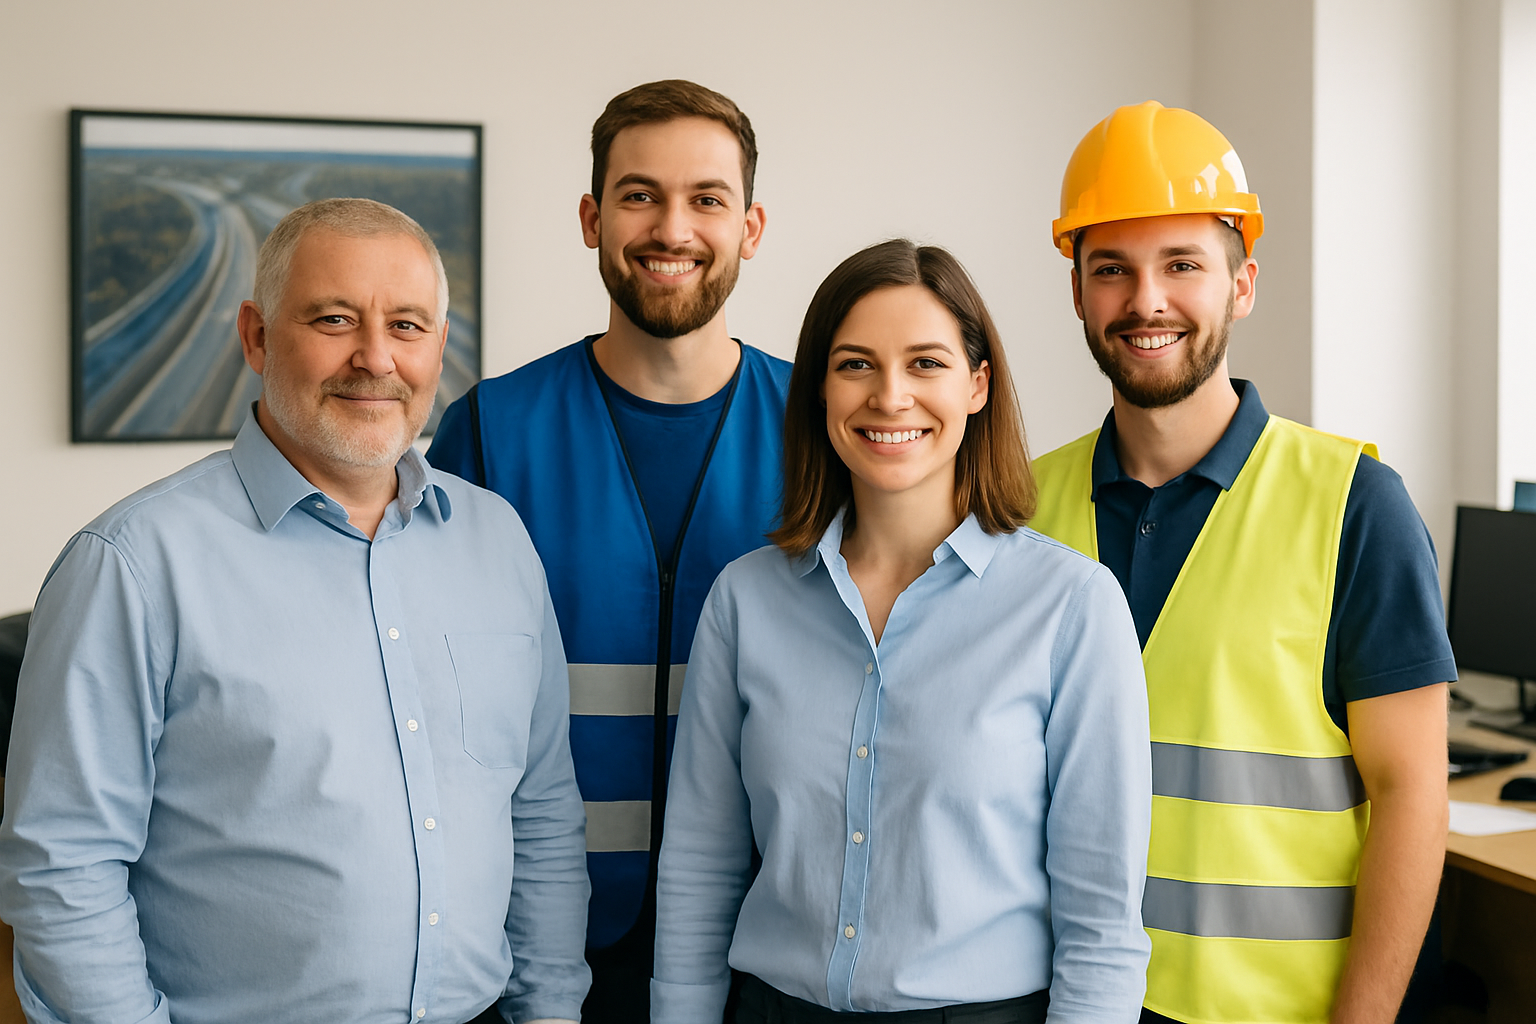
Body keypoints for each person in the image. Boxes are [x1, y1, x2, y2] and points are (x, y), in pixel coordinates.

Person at [0, 199, 590, 1024]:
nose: (375, 357)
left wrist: (551, 1010)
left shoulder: (498, 542)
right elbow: (63, 865)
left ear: (438, 346)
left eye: (407, 326)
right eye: (334, 319)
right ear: (256, 336)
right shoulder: (132, 564)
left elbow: (541, 811)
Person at [651, 239, 1153, 1023]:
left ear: (977, 385)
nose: (890, 397)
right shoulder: (745, 602)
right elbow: (699, 871)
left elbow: (1102, 925)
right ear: (820, 389)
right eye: (856, 364)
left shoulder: (1072, 607)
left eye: (926, 364)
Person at [1030, 101, 1454, 1024]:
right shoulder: (1020, 507)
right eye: (1112, 268)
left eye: (1182, 264)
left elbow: (1412, 796)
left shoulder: (1354, 506)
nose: (1146, 301)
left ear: (1242, 284)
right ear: (1078, 292)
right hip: (1067, 1002)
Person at [428, 80, 790, 1019]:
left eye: (707, 199)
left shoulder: (822, 431)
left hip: (768, 942)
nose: (672, 228)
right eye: (639, 195)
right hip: (538, 942)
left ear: (750, 228)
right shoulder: (492, 431)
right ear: (592, 219)